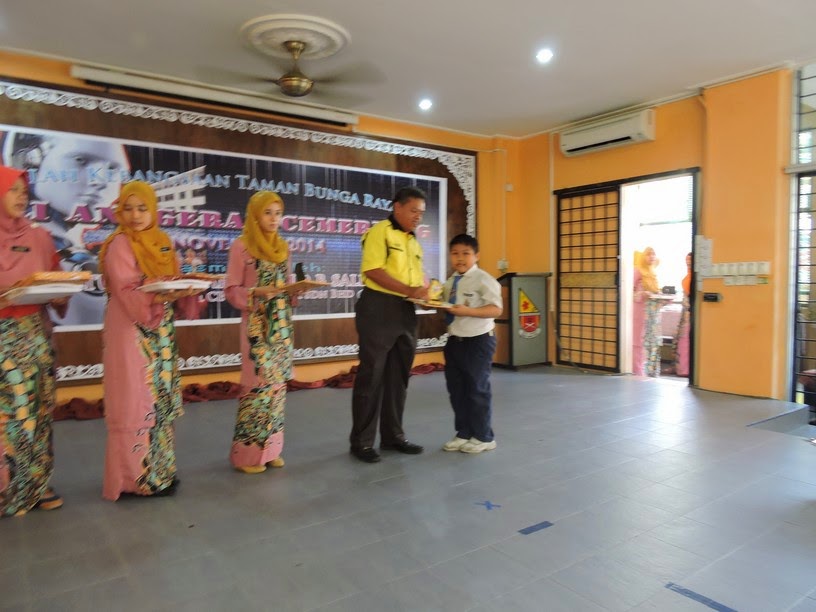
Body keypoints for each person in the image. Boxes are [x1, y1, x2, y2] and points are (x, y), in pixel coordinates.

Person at [98, 181, 199, 500]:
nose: (135, 215)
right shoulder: (119, 244)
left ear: (153, 210)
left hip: (161, 332)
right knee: (135, 400)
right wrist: (159, 295)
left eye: (142, 208)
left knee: (160, 399)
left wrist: (186, 289)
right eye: (128, 208)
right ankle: (135, 479)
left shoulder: (162, 241)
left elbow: (173, 279)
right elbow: (126, 290)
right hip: (131, 330)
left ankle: (160, 473)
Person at [2, 131, 130, 326]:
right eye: (80, 160)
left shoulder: (39, 236)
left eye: (112, 168)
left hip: (36, 335)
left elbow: (56, 283)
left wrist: (60, 298)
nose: (99, 179)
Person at [0, 166, 67, 516]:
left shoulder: (40, 237)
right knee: (10, 413)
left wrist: (60, 294)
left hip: (37, 335)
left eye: (24, 190)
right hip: (4, 339)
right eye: (12, 189)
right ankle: (7, 486)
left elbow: (56, 279)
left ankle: (37, 483)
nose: (21, 196)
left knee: (40, 409)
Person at [349, 186, 430, 463]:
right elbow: (373, 270)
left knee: (399, 377)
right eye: (413, 210)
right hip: (378, 308)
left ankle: (393, 436)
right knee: (371, 376)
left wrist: (424, 295)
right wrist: (409, 290)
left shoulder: (413, 241)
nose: (418, 217)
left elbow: (416, 281)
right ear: (397, 207)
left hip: (406, 311)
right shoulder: (379, 232)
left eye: (421, 213)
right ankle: (362, 442)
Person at [224, 191, 295, 473]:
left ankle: (271, 450)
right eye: (267, 213)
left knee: (277, 388)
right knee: (257, 387)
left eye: (278, 213)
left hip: (281, 327)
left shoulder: (283, 247)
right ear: (254, 215)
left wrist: (297, 291)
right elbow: (231, 290)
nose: (274, 219)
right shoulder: (242, 246)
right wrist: (255, 293)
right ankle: (248, 456)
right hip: (256, 327)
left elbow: (286, 285)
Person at [441, 234, 503, 454]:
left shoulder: (484, 279)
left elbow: (496, 309)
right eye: (455, 253)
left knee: (477, 389)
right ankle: (464, 432)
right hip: (455, 340)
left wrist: (468, 311)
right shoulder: (451, 282)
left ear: (476, 256)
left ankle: (484, 437)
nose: (460, 258)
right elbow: (447, 306)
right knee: (457, 390)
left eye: (465, 253)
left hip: (478, 341)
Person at [633, 247, 662, 377]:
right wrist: (642, 294)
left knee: (652, 340)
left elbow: (656, 292)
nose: (651, 257)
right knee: (639, 340)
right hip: (640, 311)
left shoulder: (653, 272)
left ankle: (651, 371)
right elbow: (628, 292)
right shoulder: (637, 271)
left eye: (653, 254)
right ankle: (638, 370)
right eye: (648, 254)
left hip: (653, 313)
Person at [674, 252, 692, 377]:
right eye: (686, 260)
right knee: (683, 339)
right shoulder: (687, 277)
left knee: (686, 339)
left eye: (690, 260)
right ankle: (682, 369)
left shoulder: (693, 278)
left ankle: (686, 369)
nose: (688, 263)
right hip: (685, 312)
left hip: (690, 312)